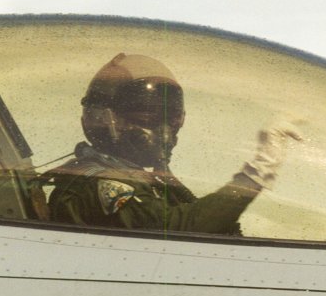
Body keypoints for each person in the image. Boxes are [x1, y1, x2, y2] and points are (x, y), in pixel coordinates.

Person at [47, 53, 301, 235]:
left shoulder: (139, 178)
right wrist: (260, 167)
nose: (164, 132)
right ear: (106, 120)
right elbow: (182, 230)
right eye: (148, 117)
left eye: (171, 119)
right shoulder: (97, 184)